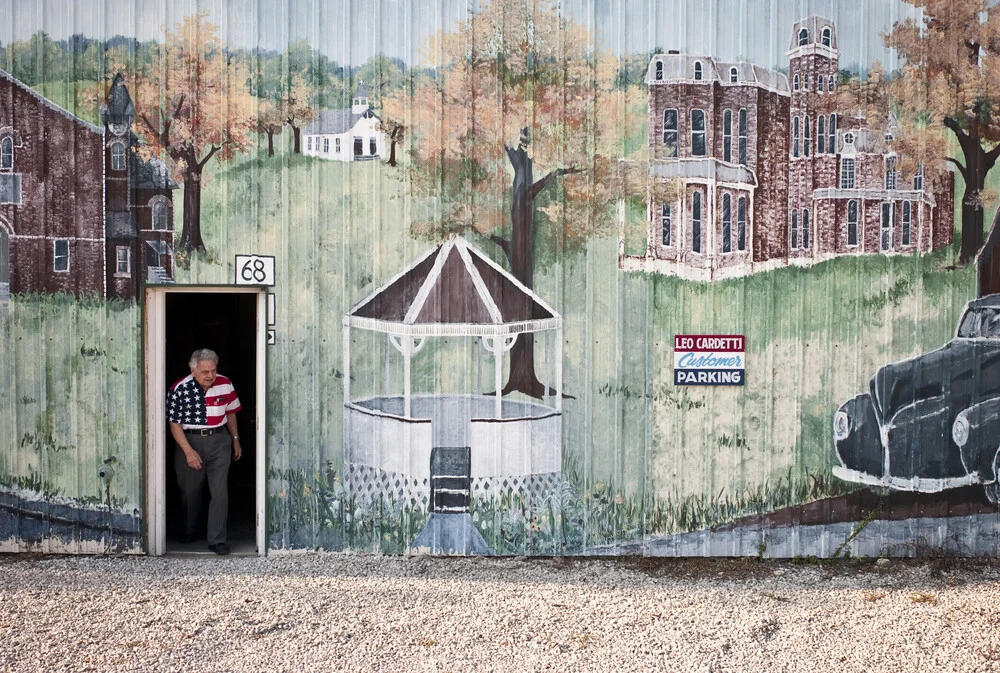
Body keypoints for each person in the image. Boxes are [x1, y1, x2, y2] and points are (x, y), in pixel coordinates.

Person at [167, 348, 242, 555]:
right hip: (189, 440)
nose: (210, 375)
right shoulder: (179, 389)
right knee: (190, 490)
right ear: (193, 371)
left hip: (219, 440)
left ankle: (217, 539)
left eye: (213, 370)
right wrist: (189, 452)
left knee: (220, 491)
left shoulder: (225, 383)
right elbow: (174, 424)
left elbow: (231, 413)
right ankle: (188, 530)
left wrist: (235, 440)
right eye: (205, 372)